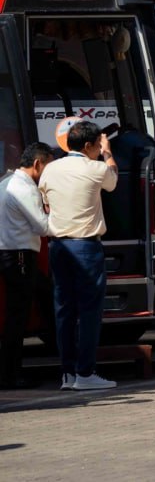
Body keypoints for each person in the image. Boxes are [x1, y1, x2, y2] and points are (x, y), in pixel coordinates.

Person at [41, 120, 118, 390]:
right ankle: (86, 373)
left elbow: (46, 201)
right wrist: (108, 153)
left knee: (64, 310)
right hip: (86, 246)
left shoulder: (50, 168)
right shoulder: (96, 167)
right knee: (89, 312)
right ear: (88, 146)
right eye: (97, 145)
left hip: (58, 246)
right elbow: (113, 182)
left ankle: (68, 373)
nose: (99, 149)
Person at [0, 142, 54, 389]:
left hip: (10, 253)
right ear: (37, 164)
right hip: (20, 255)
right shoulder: (26, 189)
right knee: (17, 317)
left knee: (35, 302)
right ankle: (11, 375)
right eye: (48, 167)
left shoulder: (5, 183)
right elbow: (43, 226)